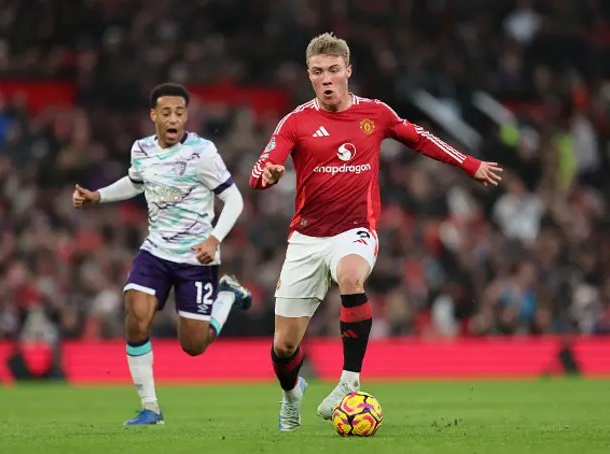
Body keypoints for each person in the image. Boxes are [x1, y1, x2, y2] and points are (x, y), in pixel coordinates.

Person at [249, 33, 503, 431]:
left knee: (351, 277)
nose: (327, 79)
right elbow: (262, 168)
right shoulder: (295, 121)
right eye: (318, 72)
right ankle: (291, 394)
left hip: (356, 231)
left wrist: (469, 164)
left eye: (334, 70)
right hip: (307, 239)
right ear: (309, 76)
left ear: (348, 71)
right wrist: (268, 176)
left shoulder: (375, 113)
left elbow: (420, 138)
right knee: (283, 346)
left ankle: (348, 383)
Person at [73, 83, 252, 426]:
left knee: (194, 346)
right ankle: (150, 408)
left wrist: (214, 240)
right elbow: (135, 181)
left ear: (187, 116)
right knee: (136, 316)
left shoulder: (203, 153)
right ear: (153, 115)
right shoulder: (140, 149)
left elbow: (235, 199)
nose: (174, 119)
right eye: (166, 112)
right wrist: (98, 196)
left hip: (196, 258)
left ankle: (226, 295)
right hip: (155, 252)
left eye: (180, 112)